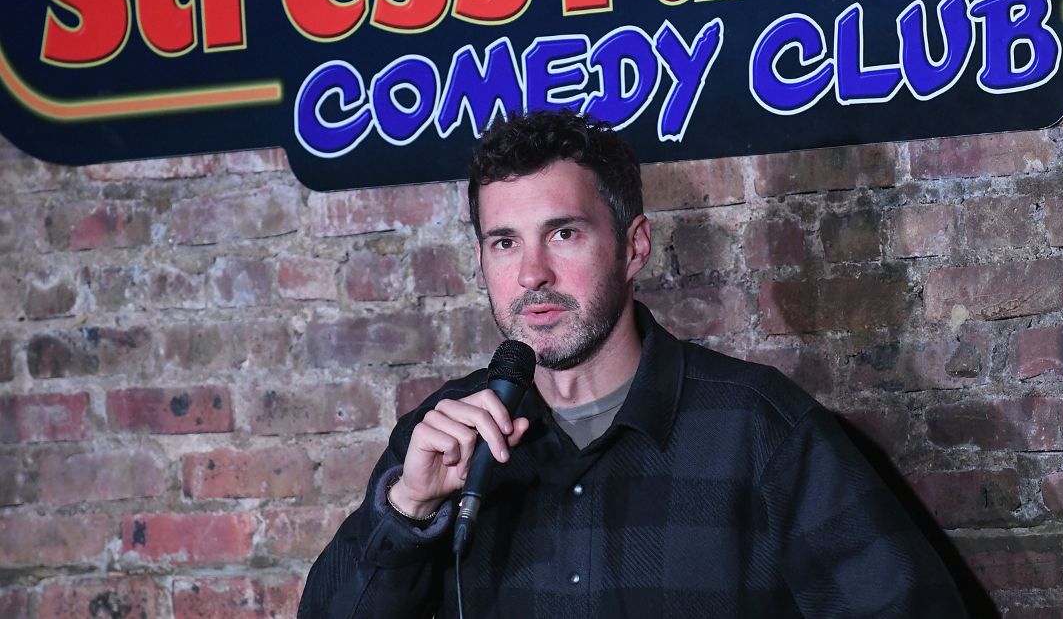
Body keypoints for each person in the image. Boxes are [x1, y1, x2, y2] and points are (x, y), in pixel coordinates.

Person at [298, 110, 967, 618]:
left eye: (564, 233)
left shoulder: (760, 430)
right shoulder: (444, 436)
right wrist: (409, 508)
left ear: (634, 246)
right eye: (504, 243)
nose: (532, 273)